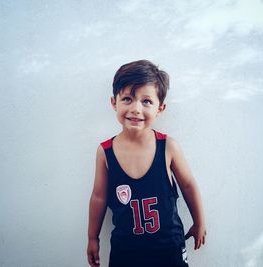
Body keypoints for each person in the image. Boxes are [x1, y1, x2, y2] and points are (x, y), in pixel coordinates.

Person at [87, 59, 207, 267]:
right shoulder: (105, 152)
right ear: (114, 103)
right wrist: (92, 238)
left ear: (160, 108)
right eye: (127, 99)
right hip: (126, 251)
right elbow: (99, 197)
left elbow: (188, 185)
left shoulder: (168, 146)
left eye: (146, 101)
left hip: (169, 248)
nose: (136, 108)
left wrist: (199, 222)